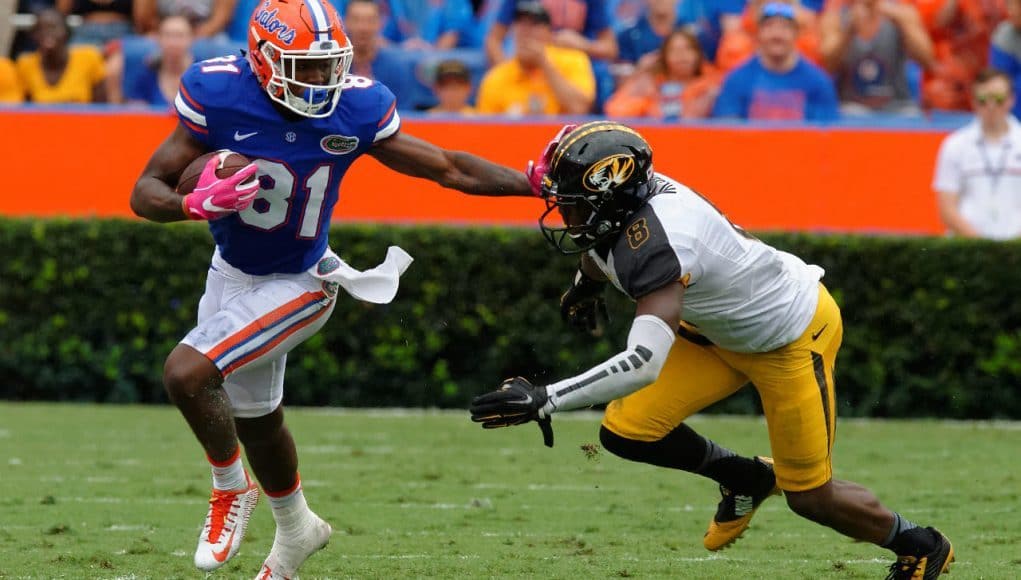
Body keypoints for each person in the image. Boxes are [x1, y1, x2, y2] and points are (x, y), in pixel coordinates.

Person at [128, 0, 533, 577]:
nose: (322, 79)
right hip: (231, 272)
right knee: (259, 422)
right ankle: (297, 532)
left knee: (185, 373)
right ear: (265, 60)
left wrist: (533, 184)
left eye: (328, 65)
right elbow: (146, 189)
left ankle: (229, 487)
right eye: (306, 66)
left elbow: (448, 167)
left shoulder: (357, 106)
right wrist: (189, 205)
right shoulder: (217, 93)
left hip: (303, 281)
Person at [469, 120, 956, 580]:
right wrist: (584, 287)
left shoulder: (663, 239)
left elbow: (643, 362)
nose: (566, 215)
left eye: (574, 205)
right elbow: (602, 245)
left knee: (810, 497)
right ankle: (746, 478)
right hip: (715, 334)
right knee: (627, 432)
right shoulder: (625, 208)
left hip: (789, 339)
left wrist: (543, 398)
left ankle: (921, 544)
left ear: (611, 201)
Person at [933, 69, 1021, 239]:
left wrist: (1012, 247)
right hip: (968, 249)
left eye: (998, 99)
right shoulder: (955, 144)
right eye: (983, 100)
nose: (991, 106)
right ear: (972, 102)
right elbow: (947, 209)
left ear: (1011, 100)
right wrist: (980, 245)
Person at [712, 3, 838, 121]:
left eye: (785, 27)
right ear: (758, 33)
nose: (777, 34)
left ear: (796, 33)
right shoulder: (737, 79)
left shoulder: (818, 81)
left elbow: (827, 134)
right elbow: (727, 130)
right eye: (769, 26)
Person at [476, 0, 595, 115]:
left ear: (549, 32)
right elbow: (485, 129)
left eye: (535, 24)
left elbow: (580, 108)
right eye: (521, 23)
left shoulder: (573, 60)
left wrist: (544, 63)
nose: (526, 31)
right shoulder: (497, 76)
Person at [819, 0, 934, 116]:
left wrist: (903, 24)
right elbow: (828, 67)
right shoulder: (835, 18)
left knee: (911, 115)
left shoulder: (904, 13)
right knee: (847, 114)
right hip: (852, 107)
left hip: (898, 106)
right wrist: (848, 32)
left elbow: (927, 61)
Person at [605, 29, 720, 120]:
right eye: (673, 50)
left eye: (688, 48)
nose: (682, 55)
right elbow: (614, 110)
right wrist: (647, 102)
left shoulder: (711, 84)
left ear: (698, 54)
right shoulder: (649, 82)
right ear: (664, 57)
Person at [16, 8, 107, 103]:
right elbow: (22, 109)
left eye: (53, 27)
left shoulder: (88, 57)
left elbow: (101, 107)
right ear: (34, 35)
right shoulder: (25, 64)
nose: (47, 33)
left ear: (66, 32)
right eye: (41, 29)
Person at [123, 15, 194, 106]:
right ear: (158, 39)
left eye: (180, 35)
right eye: (168, 35)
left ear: (191, 39)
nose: (173, 42)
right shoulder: (146, 72)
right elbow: (136, 112)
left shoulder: (203, 74)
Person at [990, 0, 1021, 118]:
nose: (1010, 12)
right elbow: (1000, 84)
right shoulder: (1004, 35)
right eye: (1008, 5)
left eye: (1017, 6)